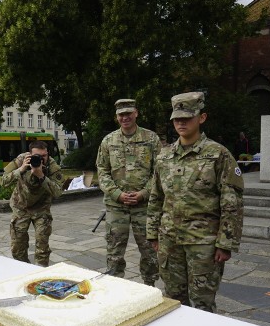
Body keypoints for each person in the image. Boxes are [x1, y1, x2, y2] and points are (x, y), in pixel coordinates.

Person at [146, 92, 244, 312]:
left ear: (202, 117)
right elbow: (156, 197)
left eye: (187, 117)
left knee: (202, 303)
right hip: (170, 241)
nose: (181, 122)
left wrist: (225, 243)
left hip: (204, 243)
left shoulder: (218, 155)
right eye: (177, 118)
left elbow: (232, 204)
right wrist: (153, 234)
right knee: (172, 300)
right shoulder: (164, 156)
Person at [96, 99, 161, 286]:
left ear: (136, 113)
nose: (125, 117)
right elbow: (102, 171)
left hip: (145, 206)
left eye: (128, 113)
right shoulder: (109, 141)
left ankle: (149, 286)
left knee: (150, 251)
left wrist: (144, 193)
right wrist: (117, 194)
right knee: (114, 251)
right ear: (116, 117)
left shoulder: (151, 139)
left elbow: (159, 172)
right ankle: (116, 288)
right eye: (121, 114)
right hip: (116, 206)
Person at [2, 140, 63, 266]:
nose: (41, 159)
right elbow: (4, 181)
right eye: (37, 156)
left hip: (41, 208)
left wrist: (41, 176)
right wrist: (21, 169)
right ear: (29, 154)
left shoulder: (52, 166)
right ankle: (24, 270)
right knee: (18, 248)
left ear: (47, 154)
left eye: (44, 156)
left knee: (42, 247)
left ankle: (41, 274)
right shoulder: (21, 160)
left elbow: (58, 192)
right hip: (21, 206)